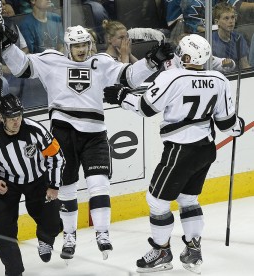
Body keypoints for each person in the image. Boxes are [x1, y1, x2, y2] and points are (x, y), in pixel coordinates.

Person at [0, 23, 174, 261]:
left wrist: (151, 62)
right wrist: (7, 47)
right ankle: (69, 235)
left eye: (84, 44)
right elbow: (22, 67)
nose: (80, 49)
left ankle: (102, 233)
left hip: (94, 133)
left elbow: (128, 77)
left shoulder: (100, 62)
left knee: (99, 184)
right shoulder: (52, 60)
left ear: (90, 44)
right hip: (62, 132)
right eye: (75, 45)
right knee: (65, 187)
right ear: (67, 46)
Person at [103, 34, 245, 274]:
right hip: (205, 149)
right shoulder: (218, 79)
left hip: (179, 149)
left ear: (187, 56)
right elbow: (227, 124)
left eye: (181, 52)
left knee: (156, 200)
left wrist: (121, 97)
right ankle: (193, 250)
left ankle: (161, 251)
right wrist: (238, 127)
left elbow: (145, 107)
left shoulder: (172, 77)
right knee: (188, 200)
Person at [0, 93, 65, 276]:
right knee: (2, 229)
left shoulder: (35, 130)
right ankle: (14, 272)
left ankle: (45, 237)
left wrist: (53, 185)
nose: (16, 121)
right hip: (7, 184)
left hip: (38, 181)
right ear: (0, 117)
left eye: (19, 116)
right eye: (11, 118)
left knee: (52, 224)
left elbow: (56, 156)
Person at [212, 2, 251, 69]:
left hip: (236, 77)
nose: (231, 21)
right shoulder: (210, 40)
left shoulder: (239, 38)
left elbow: (245, 65)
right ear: (216, 22)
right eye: (226, 18)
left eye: (232, 17)